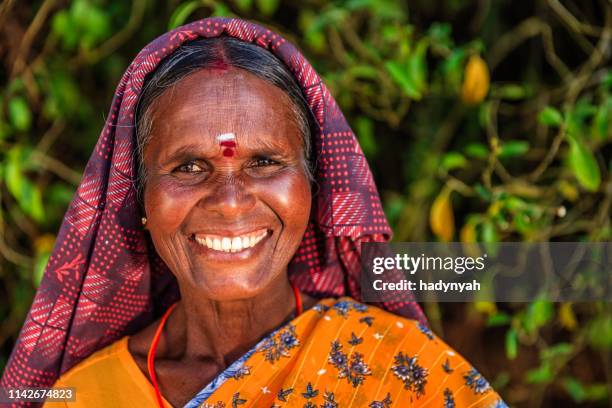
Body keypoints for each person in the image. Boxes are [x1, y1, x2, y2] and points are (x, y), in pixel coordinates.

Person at [2, 18, 506, 408]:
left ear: (314, 189)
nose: (229, 200)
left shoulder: (396, 369)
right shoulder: (90, 395)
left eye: (265, 163)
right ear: (140, 203)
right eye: (188, 166)